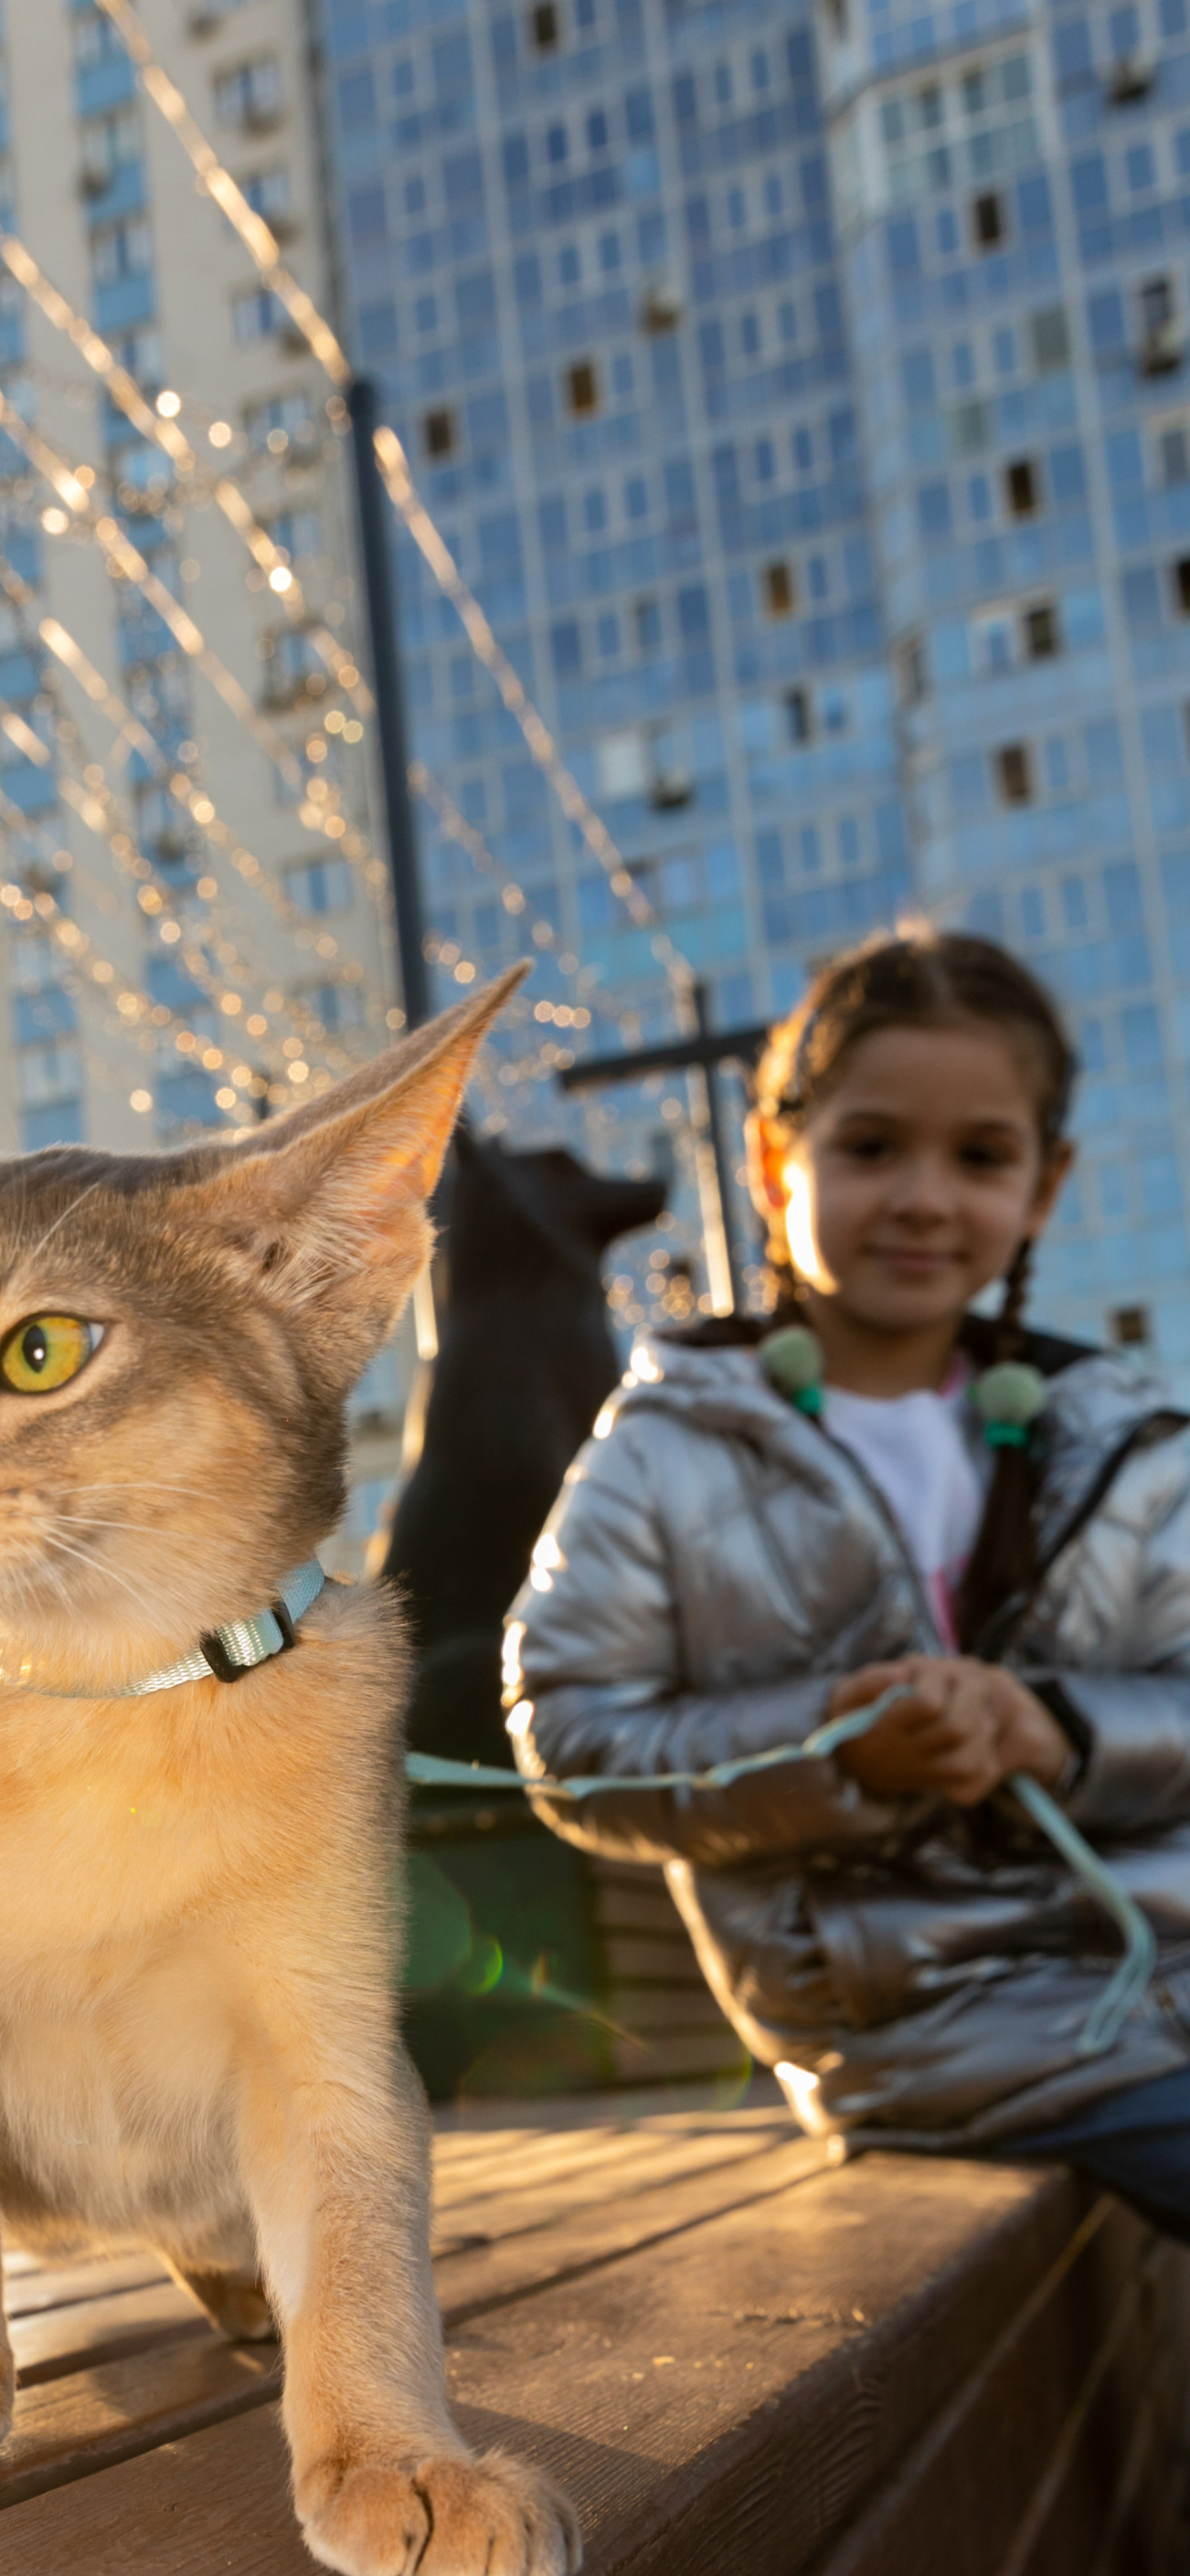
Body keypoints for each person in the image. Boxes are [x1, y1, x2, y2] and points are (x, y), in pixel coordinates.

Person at [503, 928, 1190, 2236]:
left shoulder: (1121, 1436)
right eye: (872, 1148)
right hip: (933, 2041)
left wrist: (1065, 1731)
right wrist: (838, 1751)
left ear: (1046, 1187)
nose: (926, 1196)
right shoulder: (668, 1452)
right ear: (774, 1164)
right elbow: (569, 1740)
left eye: (981, 1156)